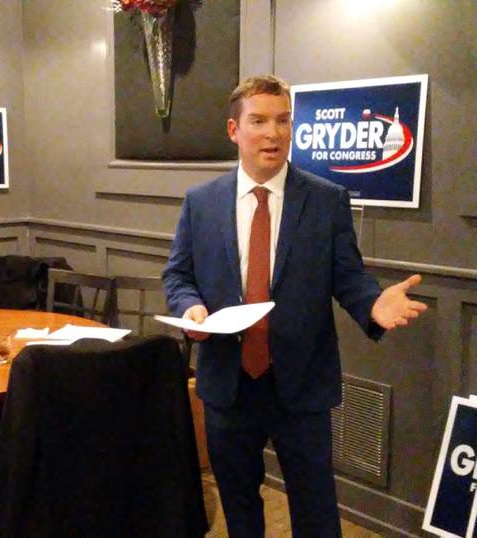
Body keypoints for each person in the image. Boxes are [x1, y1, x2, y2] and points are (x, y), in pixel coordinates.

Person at [162, 75, 427, 537]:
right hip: (228, 383)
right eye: (259, 121)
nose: (273, 132)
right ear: (234, 130)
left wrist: (373, 305)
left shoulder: (326, 201)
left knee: (316, 511)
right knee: (239, 506)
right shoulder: (200, 203)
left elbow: (348, 277)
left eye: (283, 120)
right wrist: (190, 308)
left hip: (301, 386)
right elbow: (178, 275)